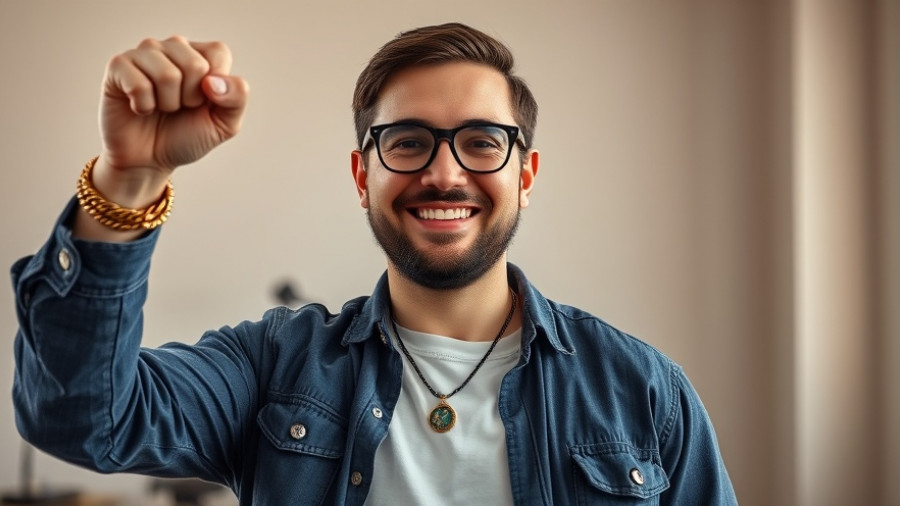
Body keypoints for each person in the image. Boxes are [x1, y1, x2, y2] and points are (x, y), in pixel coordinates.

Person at [11, 23, 737, 504]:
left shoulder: (643, 391)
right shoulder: (274, 366)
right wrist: (126, 178)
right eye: (408, 141)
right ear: (364, 176)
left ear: (527, 173)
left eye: (482, 142)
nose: (445, 174)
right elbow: (82, 420)